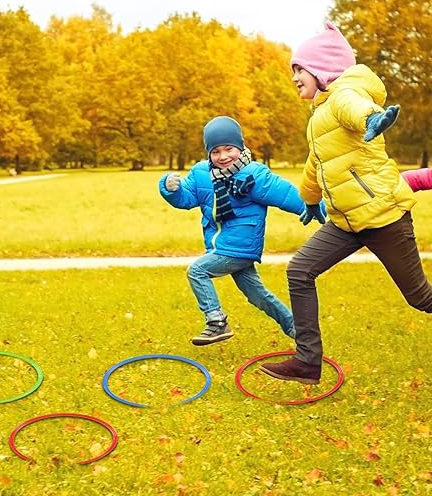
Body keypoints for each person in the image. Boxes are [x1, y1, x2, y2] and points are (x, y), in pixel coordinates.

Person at [261, 23, 432, 385]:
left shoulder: (343, 95)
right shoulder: (320, 116)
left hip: (383, 216)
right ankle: (307, 362)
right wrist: (310, 199)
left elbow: (356, 107)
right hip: (345, 222)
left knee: (421, 298)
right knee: (299, 271)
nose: (294, 77)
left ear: (322, 70)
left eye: (299, 69)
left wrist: (372, 119)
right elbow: (316, 163)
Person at [158, 116, 323, 346]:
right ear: (209, 153)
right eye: (216, 151)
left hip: (240, 246)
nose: (223, 156)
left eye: (229, 149)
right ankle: (298, 332)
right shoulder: (201, 173)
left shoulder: (255, 175)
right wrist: (170, 189)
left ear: (241, 146)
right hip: (221, 246)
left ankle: (217, 322)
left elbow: (287, 194)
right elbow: (185, 199)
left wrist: (319, 208)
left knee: (197, 271)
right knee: (257, 295)